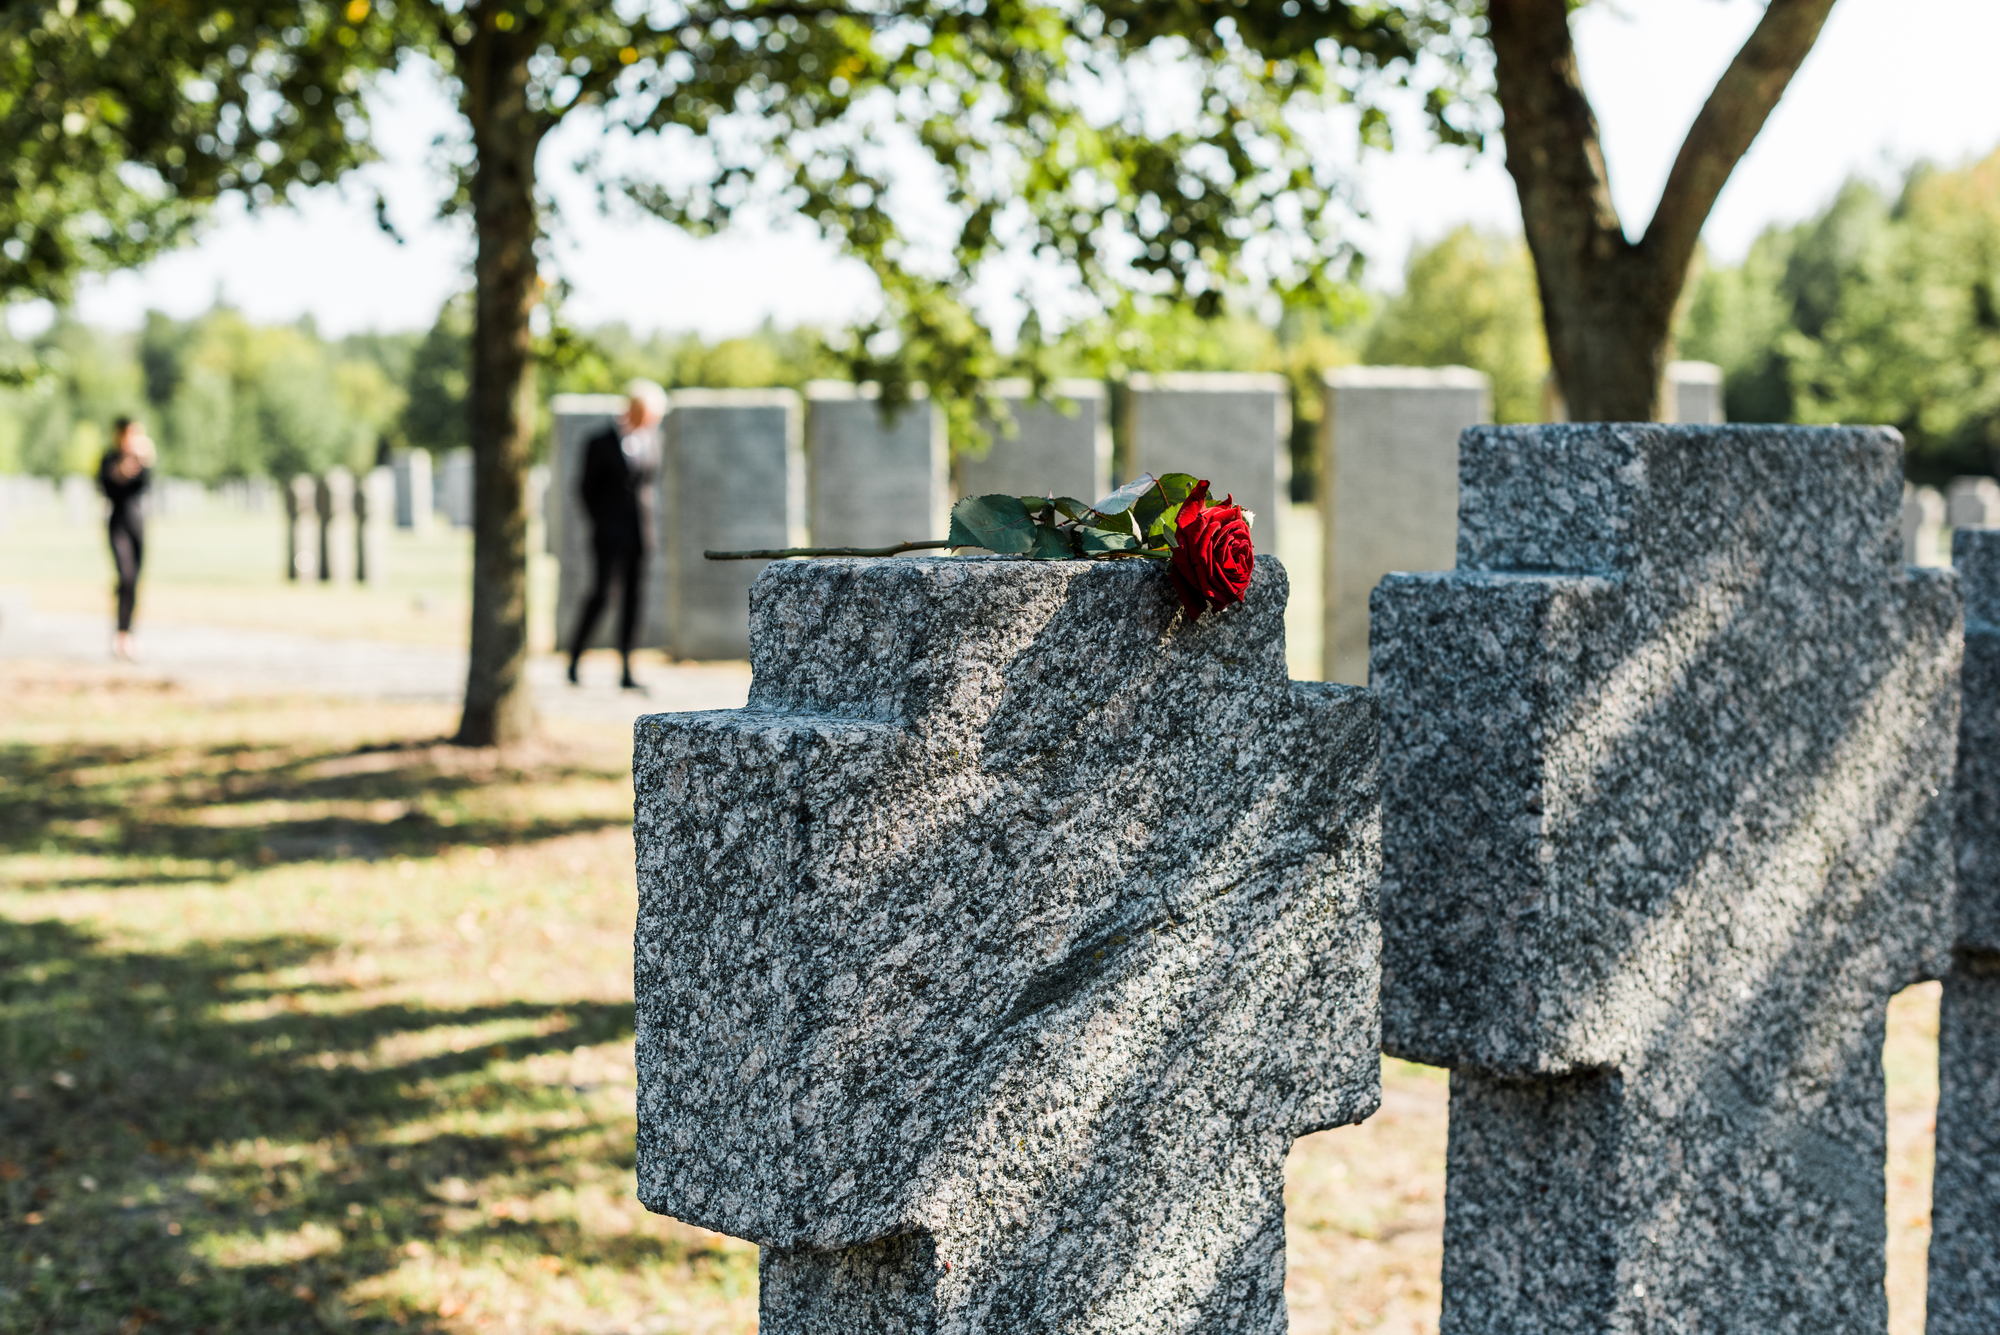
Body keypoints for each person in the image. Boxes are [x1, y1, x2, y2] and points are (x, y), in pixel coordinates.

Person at [567, 378, 668, 691]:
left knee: (634, 600)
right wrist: (601, 522)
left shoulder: (653, 440)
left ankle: (626, 667)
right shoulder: (600, 442)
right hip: (609, 534)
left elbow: (647, 484)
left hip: (640, 534)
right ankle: (574, 658)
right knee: (602, 594)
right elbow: (585, 489)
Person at [97, 415, 156, 661]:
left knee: (134, 581)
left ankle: (129, 631)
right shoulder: (110, 459)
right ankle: (121, 633)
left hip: (137, 522)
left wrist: (147, 461)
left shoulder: (141, 460)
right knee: (126, 576)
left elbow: (145, 485)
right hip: (117, 522)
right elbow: (105, 485)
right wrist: (121, 469)